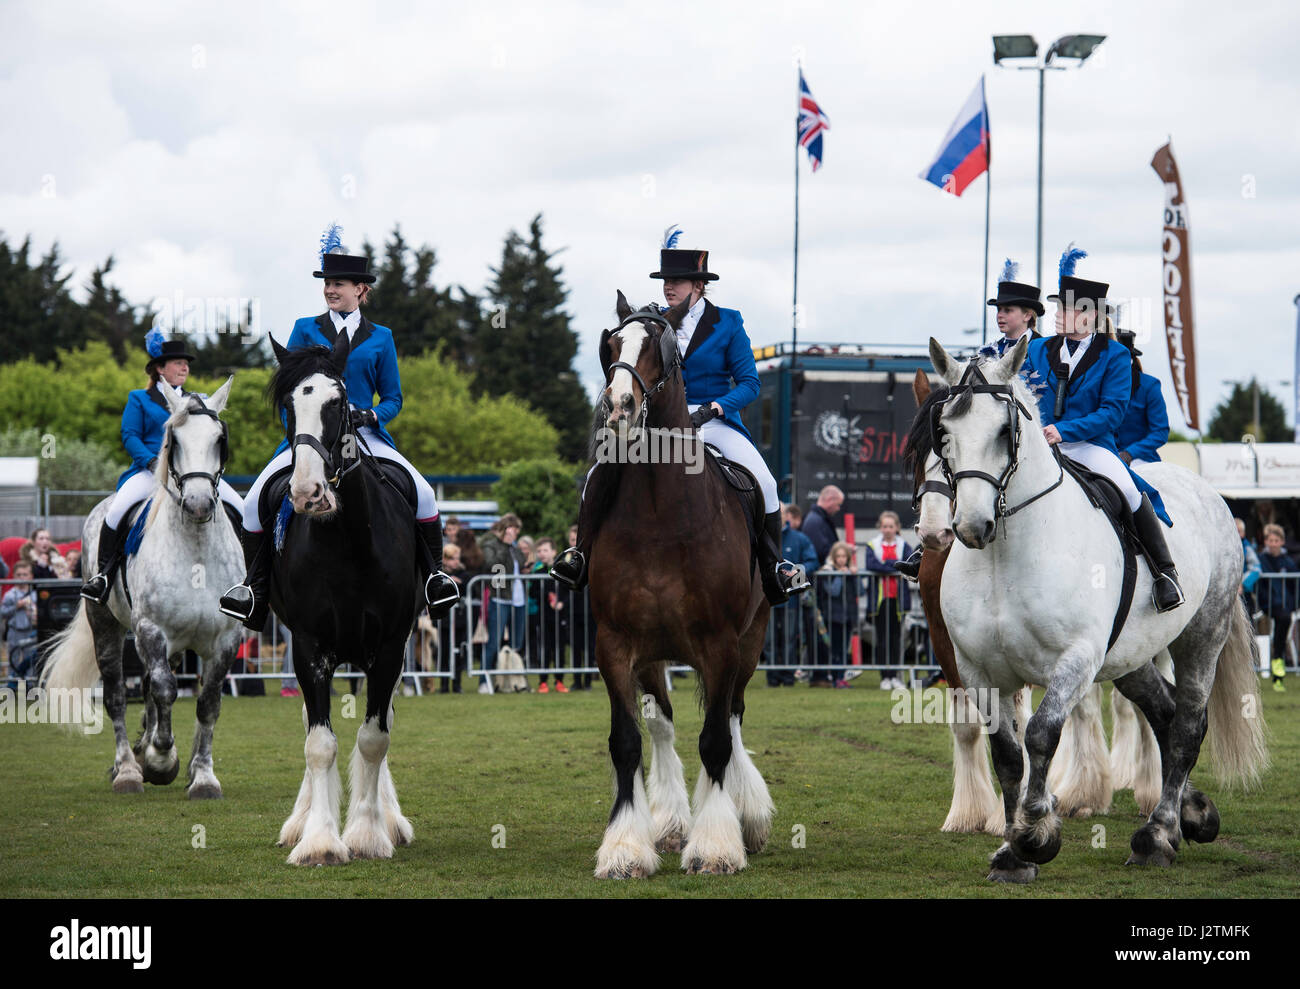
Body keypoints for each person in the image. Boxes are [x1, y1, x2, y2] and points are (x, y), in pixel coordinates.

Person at [551, 229, 810, 606]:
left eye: (677, 281)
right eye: (666, 281)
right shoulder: (654, 324)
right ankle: (580, 556)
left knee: (767, 484)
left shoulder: (728, 323)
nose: (669, 287)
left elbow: (750, 383)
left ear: (699, 286)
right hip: (656, 424)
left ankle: (775, 566)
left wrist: (716, 408)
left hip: (713, 421)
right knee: (597, 472)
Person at [219, 225, 457, 630]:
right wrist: (298, 436)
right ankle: (255, 589)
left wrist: (373, 416)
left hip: (364, 436)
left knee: (424, 494)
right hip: (310, 437)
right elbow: (289, 392)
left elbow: (394, 398)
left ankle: (434, 577)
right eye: (327, 283)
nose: (331, 290)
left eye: (339, 284)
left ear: (361, 289)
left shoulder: (381, 337)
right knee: (252, 501)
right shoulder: (304, 329)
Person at [1020, 245, 1184, 613]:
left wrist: (1064, 431)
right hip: (1041, 445)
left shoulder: (1115, 356)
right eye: (1059, 308)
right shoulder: (1037, 350)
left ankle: (1164, 573)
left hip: (1090, 445)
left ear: (1089, 315)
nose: (1059, 315)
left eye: (1066, 309)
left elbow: (1112, 413)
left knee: (1127, 487)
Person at [82, 332, 244, 604]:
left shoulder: (197, 401)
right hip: (149, 472)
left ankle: (248, 581)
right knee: (116, 512)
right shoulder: (140, 399)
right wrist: (152, 461)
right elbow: (129, 435)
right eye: (178, 363)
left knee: (240, 508)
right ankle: (104, 575)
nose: (185, 368)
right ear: (160, 368)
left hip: (191, 473)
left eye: (186, 363)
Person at [765, 504, 819, 686]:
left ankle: (788, 678)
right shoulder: (761, 537)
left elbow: (812, 560)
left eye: (779, 514)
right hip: (767, 599)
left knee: (789, 640)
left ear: (786, 516)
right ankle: (772, 678)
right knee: (769, 640)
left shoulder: (799, 539)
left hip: (791, 600)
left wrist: (796, 573)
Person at [863, 511, 912, 690]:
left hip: (898, 600)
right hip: (880, 600)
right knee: (882, 639)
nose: (888, 529)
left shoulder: (904, 545)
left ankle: (896, 677)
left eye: (891, 526)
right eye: (885, 526)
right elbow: (871, 565)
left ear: (897, 527)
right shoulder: (872, 545)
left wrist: (886, 566)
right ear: (880, 527)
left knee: (897, 639)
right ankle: (885, 676)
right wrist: (894, 566)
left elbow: (907, 564)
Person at [478, 513, 526, 693]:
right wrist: (504, 545)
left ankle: (512, 680)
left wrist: (512, 547)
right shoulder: (493, 546)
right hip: (500, 598)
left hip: (518, 599)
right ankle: (484, 680)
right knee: (494, 642)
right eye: (511, 528)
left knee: (517, 642)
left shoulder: (515, 549)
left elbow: (522, 562)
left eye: (516, 529)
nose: (514, 532)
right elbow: (492, 564)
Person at [1114, 326, 1170, 466]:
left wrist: (1130, 453)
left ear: (1129, 359)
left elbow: (1160, 432)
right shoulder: (1097, 384)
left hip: (1140, 459)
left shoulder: (1150, 386)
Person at [814, 542, 859, 689]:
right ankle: (835, 678)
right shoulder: (828, 571)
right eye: (838, 556)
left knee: (845, 650)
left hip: (848, 617)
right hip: (832, 617)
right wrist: (840, 574)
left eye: (844, 556)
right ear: (834, 557)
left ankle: (841, 677)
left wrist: (854, 575)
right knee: (835, 650)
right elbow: (833, 591)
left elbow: (861, 591)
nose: (841, 559)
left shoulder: (849, 571)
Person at [1257, 523, 1295, 693]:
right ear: (1266, 542)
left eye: (1276, 540)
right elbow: (1262, 584)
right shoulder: (1261, 560)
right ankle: (1276, 661)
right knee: (1281, 627)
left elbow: (1294, 585)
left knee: (1283, 630)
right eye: (1270, 540)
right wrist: (1265, 601)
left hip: (1287, 606)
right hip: (1270, 605)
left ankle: (1278, 664)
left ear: (1282, 542)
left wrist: (1294, 603)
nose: (1273, 543)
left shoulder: (1288, 561)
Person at [529, 538, 568, 693]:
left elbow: (568, 591)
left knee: (559, 648)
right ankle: (542, 682)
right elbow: (532, 592)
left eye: (545, 550)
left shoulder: (562, 570)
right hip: (543, 616)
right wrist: (546, 594)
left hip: (560, 616)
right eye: (539, 551)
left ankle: (559, 681)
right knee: (544, 649)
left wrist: (562, 603)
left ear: (553, 552)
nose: (542, 554)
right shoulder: (537, 572)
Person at [986, 258, 1043, 357]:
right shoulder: (991, 352)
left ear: (1027, 316)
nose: (999, 315)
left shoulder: (1044, 349)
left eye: (1007, 310)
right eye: (999, 309)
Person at [2, 560, 39, 689]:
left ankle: (30, 685)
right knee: (14, 657)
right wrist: (16, 606)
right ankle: (12, 685)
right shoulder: (9, 595)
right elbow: (3, 612)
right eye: (18, 574)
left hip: (31, 630)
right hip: (15, 630)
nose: (22, 577)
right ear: (13, 576)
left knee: (30, 658)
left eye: (25, 574)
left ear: (31, 576)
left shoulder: (35, 594)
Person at [802, 485, 843, 567]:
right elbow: (820, 551)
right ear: (830, 500)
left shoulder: (819, 519)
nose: (838, 509)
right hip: (820, 576)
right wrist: (842, 551)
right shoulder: (814, 521)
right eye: (838, 505)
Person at [1237, 517, 1261, 612]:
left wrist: (1242, 584)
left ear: (1243, 533)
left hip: (1243, 593)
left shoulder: (1247, 548)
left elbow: (1256, 569)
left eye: (1239, 531)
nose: (1236, 534)